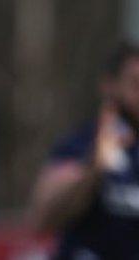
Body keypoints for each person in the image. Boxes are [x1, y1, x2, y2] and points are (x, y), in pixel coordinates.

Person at [28, 42, 139, 259]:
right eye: (136, 84)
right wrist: (94, 168)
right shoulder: (80, 144)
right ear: (110, 85)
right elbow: (42, 218)